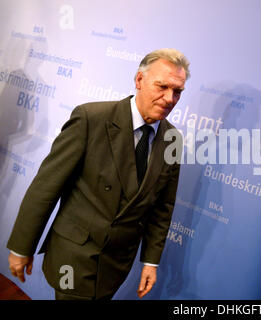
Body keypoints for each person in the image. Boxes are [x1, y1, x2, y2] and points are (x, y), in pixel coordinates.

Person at [6, 48, 189, 300]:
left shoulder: (172, 140)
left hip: (116, 265)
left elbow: (162, 208)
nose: (169, 98)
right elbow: (46, 187)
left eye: (177, 91)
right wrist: (21, 246)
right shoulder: (91, 118)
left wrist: (150, 261)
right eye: (162, 87)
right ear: (139, 80)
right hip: (74, 255)